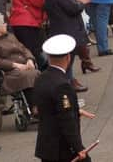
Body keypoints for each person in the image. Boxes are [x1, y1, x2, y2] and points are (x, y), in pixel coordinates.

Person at [34, 34, 95, 162]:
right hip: (62, 148)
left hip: (47, 147)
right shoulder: (62, 85)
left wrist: (75, 110)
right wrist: (78, 147)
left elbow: (47, 107)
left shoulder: (41, 78)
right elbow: (66, 119)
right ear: (68, 58)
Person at [45, 0, 96, 92]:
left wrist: (76, 1)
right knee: (67, 63)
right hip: (66, 29)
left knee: (68, 63)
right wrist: (81, 3)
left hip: (64, 28)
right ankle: (67, 89)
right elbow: (72, 8)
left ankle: (70, 84)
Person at [0, 13, 39, 101]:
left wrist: (30, 59)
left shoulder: (10, 36)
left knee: (40, 75)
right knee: (31, 75)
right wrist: (14, 65)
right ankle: (34, 105)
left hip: (25, 66)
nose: (5, 24)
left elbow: (24, 49)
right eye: (2, 23)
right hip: (8, 72)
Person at [10, 0, 46, 67]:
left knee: (28, 52)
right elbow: (40, 1)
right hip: (29, 22)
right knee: (34, 53)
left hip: (19, 21)